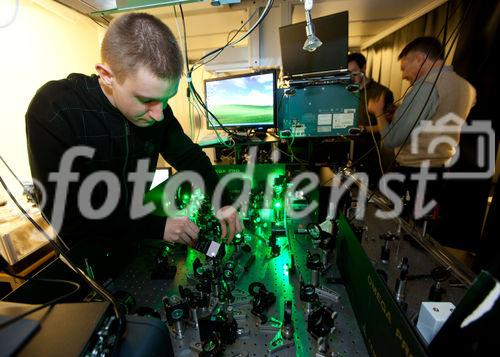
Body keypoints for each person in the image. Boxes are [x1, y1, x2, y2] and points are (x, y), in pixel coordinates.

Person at [26, 13, 242, 249]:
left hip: (136, 237)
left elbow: (190, 158)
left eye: (167, 99)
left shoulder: (156, 111)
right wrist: (157, 227)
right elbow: (66, 217)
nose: (159, 114)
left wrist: (222, 201)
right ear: (107, 76)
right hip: (90, 253)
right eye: (147, 100)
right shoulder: (55, 109)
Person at [368, 37, 476, 222]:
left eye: (403, 67)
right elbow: (438, 118)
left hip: (414, 174)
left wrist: (378, 113)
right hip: (439, 173)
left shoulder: (426, 87)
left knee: (402, 232)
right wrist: (401, 114)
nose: (403, 75)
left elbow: (392, 139)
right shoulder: (467, 87)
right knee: (423, 233)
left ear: (419, 59)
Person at [348, 53, 394, 184]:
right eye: (348, 73)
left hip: (371, 154)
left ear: (363, 68)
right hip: (349, 153)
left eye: (354, 72)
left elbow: (388, 127)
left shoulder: (381, 93)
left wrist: (364, 129)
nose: (351, 77)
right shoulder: (347, 92)